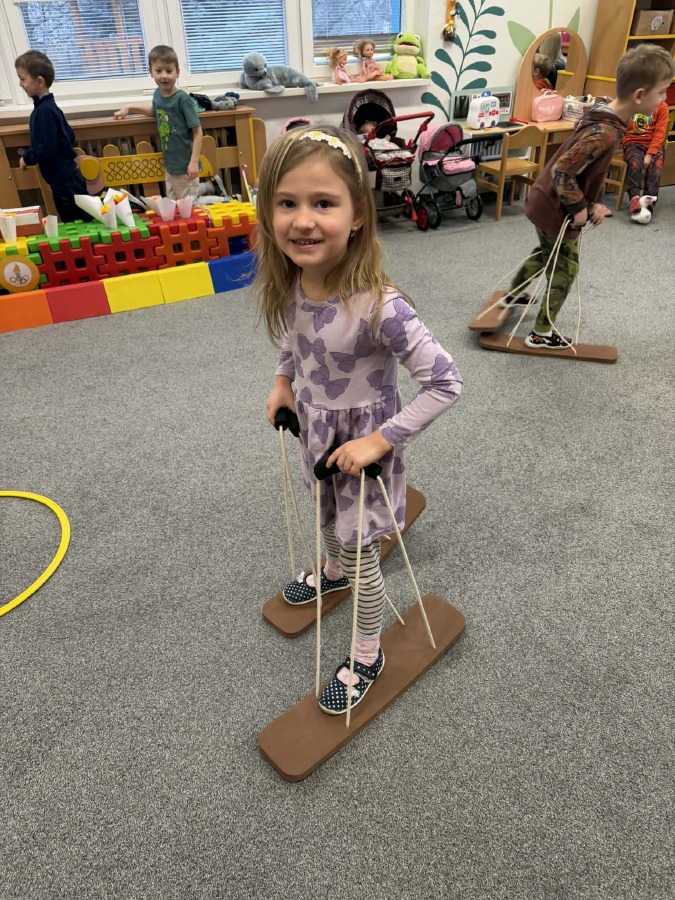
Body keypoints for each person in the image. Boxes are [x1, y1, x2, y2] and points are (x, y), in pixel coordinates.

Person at [257, 125, 463, 715]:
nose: (303, 221)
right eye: (287, 203)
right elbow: (296, 341)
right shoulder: (296, 279)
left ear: (357, 217)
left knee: (361, 553)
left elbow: (447, 382)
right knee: (323, 513)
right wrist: (282, 382)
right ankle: (331, 571)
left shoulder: (381, 306)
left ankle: (367, 653)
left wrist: (379, 440)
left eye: (323, 203)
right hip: (317, 434)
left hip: (365, 451)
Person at [501, 44, 674, 350]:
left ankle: (513, 294)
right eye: (661, 93)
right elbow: (563, 171)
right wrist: (580, 207)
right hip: (555, 207)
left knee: (547, 254)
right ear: (639, 95)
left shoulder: (607, 114)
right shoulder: (605, 132)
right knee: (566, 268)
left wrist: (593, 202)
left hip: (546, 199)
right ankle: (541, 332)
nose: (664, 99)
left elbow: (586, 170)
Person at [114, 45, 203, 201]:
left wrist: (194, 162)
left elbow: (198, 131)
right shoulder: (158, 94)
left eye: (169, 71)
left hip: (185, 167)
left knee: (189, 207)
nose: (164, 76)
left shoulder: (183, 99)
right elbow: (154, 110)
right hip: (170, 166)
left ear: (177, 72)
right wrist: (129, 108)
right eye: (159, 71)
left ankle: (212, 195)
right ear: (151, 72)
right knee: (173, 205)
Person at [15, 51, 90, 223]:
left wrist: (27, 158)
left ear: (40, 81)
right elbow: (70, 136)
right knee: (82, 218)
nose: (20, 84)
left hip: (65, 181)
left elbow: (47, 147)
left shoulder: (44, 111)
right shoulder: (50, 107)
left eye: (23, 79)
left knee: (77, 223)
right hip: (69, 177)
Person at [622, 96, 670, 224]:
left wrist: (650, 154)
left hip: (653, 144)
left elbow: (660, 133)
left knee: (657, 164)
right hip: (633, 143)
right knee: (635, 163)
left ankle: (649, 202)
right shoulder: (632, 101)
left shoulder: (662, 107)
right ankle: (635, 199)